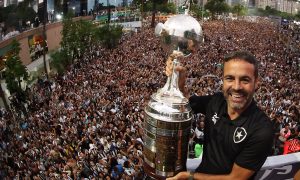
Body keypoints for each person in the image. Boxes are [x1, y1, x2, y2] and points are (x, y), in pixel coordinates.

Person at [166, 51, 274, 180]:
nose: (236, 86)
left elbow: (235, 178)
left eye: (245, 80)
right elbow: (185, 104)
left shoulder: (261, 130)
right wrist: (179, 83)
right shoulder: (216, 101)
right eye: (230, 78)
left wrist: (189, 175)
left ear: (256, 82)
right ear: (222, 80)